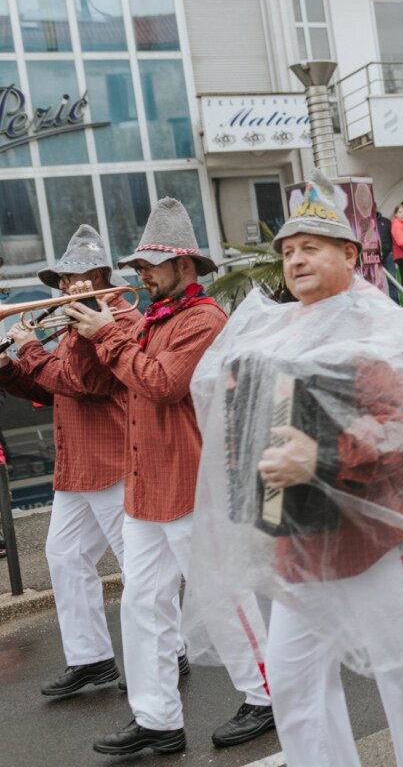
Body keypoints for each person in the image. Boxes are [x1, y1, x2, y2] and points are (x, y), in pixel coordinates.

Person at [182, 173, 403, 767]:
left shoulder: (384, 324)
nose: (295, 258)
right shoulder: (273, 332)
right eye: (286, 250)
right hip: (300, 547)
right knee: (292, 685)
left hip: (378, 542)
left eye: (310, 246)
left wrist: (323, 455)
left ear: (349, 254)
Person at [64, 199, 274, 756]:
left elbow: (161, 384)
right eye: (138, 267)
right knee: (142, 603)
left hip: (190, 484)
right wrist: (88, 333)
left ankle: (267, 696)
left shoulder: (205, 320)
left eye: (152, 265)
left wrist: (109, 334)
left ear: (186, 266)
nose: (141, 275)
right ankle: (157, 717)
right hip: (144, 484)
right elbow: (101, 383)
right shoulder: (150, 320)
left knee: (222, 594)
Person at [0, 226, 139, 698]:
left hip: (112, 458)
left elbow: (85, 381)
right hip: (76, 464)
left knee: (137, 566)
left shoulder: (115, 318)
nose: (65, 286)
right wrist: (7, 367)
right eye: (62, 279)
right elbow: (48, 386)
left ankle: (168, 652)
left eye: (75, 276)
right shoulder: (69, 322)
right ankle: (91, 659)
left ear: (99, 275)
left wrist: (30, 348)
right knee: (63, 556)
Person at [376, 207, 398, 303]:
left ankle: (395, 302)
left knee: (392, 280)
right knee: (376, 281)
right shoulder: (366, 222)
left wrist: (393, 252)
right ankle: (380, 303)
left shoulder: (386, 222)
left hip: (388, 255)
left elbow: (394, 238)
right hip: (373, 257)